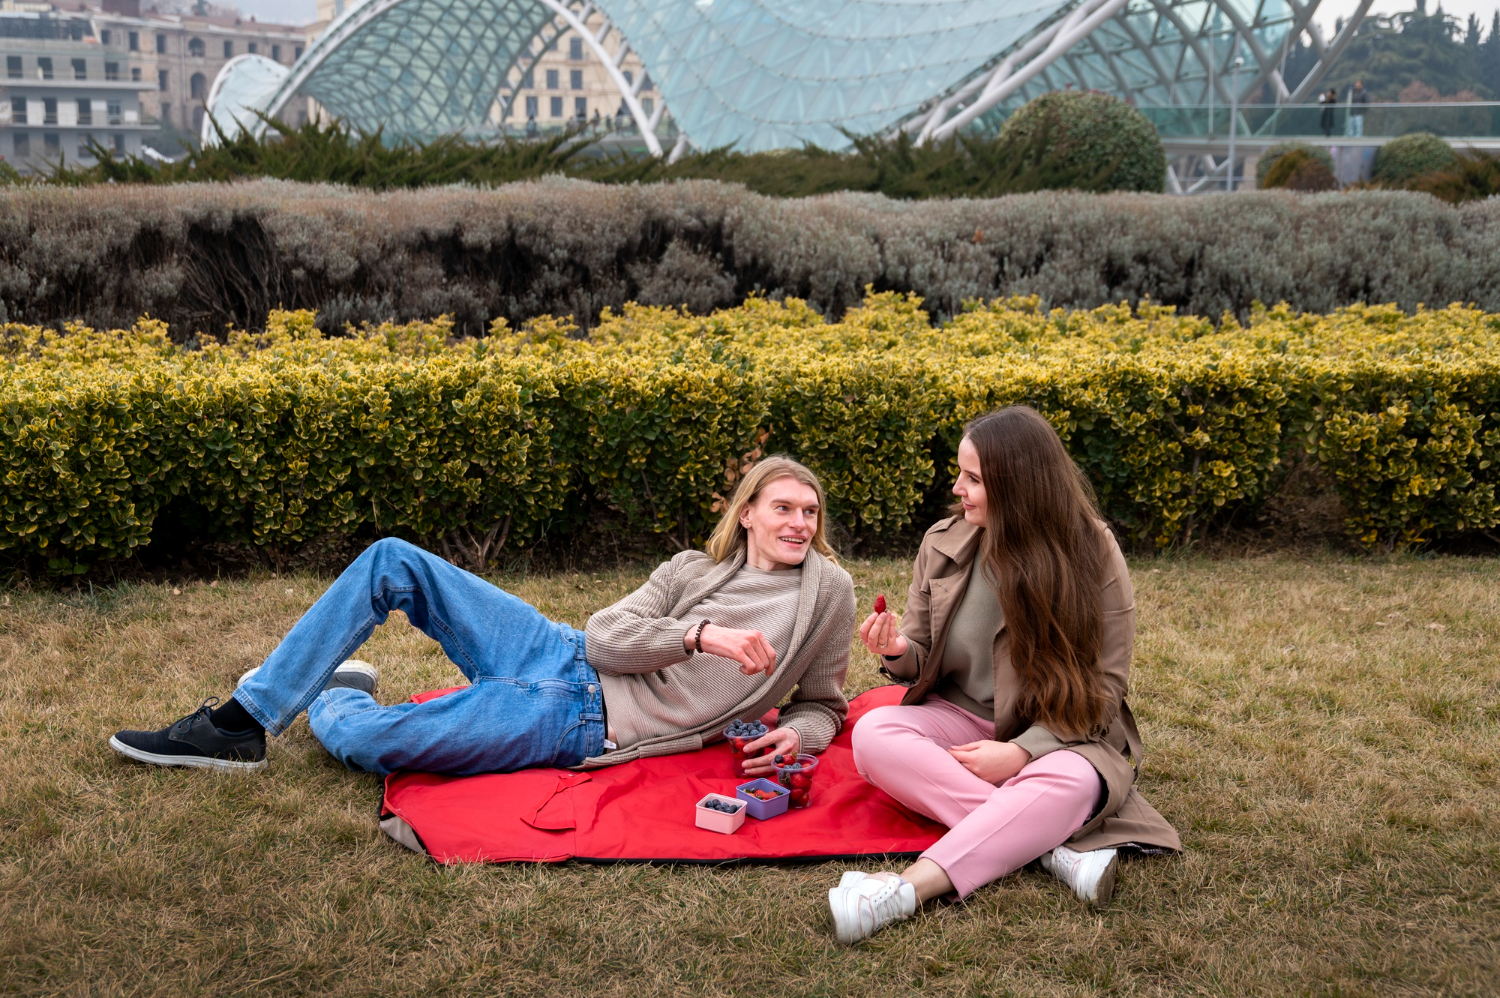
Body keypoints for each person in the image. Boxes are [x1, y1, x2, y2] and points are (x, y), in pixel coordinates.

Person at [110, 457, 855, 780]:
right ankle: (242, 723)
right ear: (749, 513)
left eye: (809, 512)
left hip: (579, 721)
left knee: (368, 741)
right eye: (782, 507)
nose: (798, 522)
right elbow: (604, 638)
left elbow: (824, 703)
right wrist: (697, 634)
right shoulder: (691, 570)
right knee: (392, 559)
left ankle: (336, 690)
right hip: (559, 650)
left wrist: (806, 731)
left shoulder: (826, 596)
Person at [826, 407, 1179, 944]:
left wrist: (1025, 753)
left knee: (1077, 778)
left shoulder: (1093, 549)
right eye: (960, 473)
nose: (957, 488)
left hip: (1064, 732)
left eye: (973, 478)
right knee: (875, 736)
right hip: (957, 718)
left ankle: (902, 891)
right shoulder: (943, 543)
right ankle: (1053, 850)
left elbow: (1106, 687)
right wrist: (897, 650)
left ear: (1017, 485)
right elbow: (920, 658)